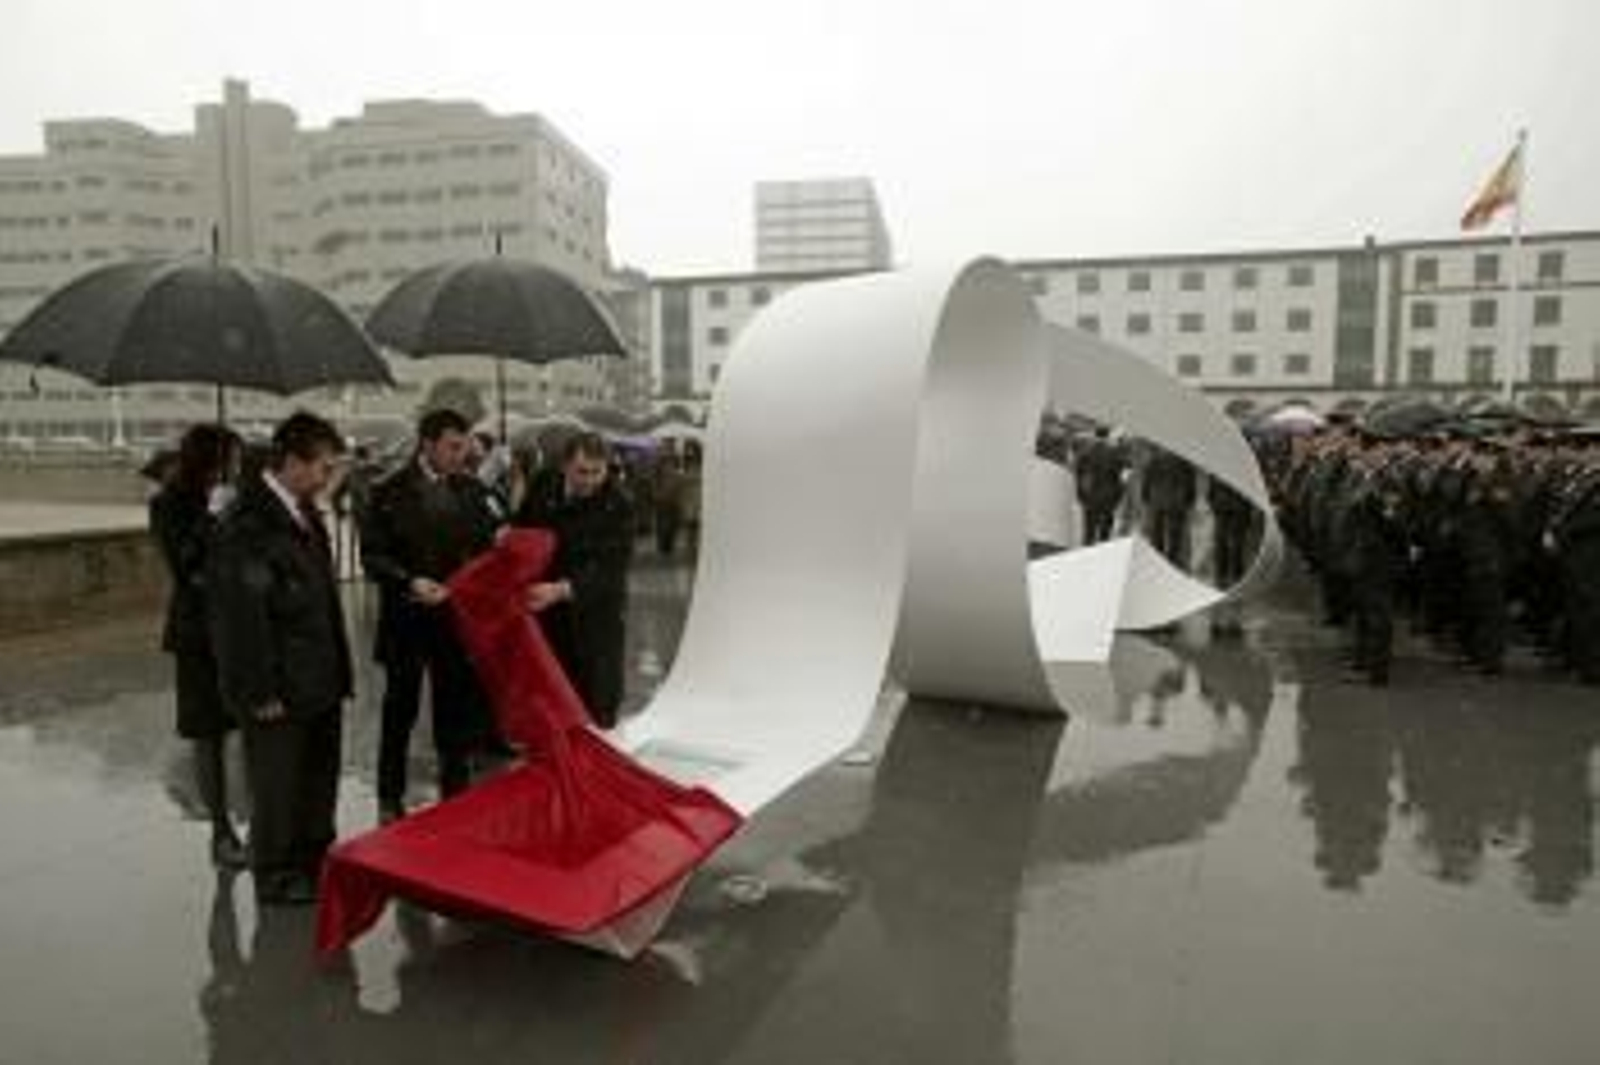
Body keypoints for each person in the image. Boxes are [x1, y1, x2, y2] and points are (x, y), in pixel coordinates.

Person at [208, 412, 352, 906]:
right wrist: (257, 690)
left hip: (318, 676)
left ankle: (315, 856)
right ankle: (275, 872)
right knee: (277, 784)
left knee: (317, 776)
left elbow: (321, 600)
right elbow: (237, 618)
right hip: (278, 686)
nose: (327, 478)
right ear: (291, 462)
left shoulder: (305, 513)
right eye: (321, 467)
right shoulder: (246, 524)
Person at [361, 408, 504, 819]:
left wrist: (500, 543)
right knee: (399, 710)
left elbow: (488, 546)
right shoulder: (388, 491)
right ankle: (390, 796)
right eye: (453, 447)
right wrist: (408, 581)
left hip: (454, 620)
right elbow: (372, 556)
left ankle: (456, 793)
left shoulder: (473, 490)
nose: (462, 454)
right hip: (406, 618)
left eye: (465, 446)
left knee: (453, 711)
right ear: (427, 444)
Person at [148, 423, 247, 867]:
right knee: (208, 733)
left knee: (248, 725)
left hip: (240, 627)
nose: (237, 467)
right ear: (210, 459)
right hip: (197, 632)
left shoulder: (238, 498)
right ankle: (221, 830)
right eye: (232, 459)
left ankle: (263, 818)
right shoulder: (168, 504)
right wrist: (210, 515)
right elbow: (184, 565)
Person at [514, 431, 635, 728]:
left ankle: (595, 763)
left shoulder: (619, 503)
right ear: (565, 465)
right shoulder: (544, 484)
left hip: (595, 616)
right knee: (551, 699)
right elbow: (523, 529)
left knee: (597, 703)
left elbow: (613, 567)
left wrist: (562, 589)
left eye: (598, 472)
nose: (590, 480)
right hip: (546, 614)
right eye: (582, 471)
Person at [1073, 427, 1127, 545]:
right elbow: (1120, 478)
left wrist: (1080, 494)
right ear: (1107, 436)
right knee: (1105, 533)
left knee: (1089, 531)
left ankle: (1087, 554)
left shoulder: (1086, 453)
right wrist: (1118, 497)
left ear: (1094, 435)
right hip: (1109, 497)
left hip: (1090, 495)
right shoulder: (1115, 454)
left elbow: (1078, 475)